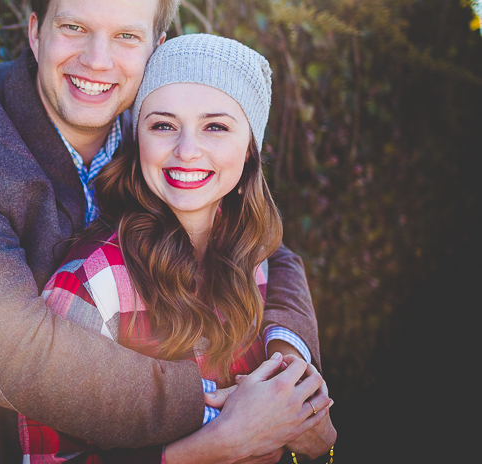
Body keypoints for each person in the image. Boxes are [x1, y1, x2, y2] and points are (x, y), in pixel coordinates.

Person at [0, 0, 322, 464]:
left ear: (156, 50)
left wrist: (289, 372)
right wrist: (216, 413)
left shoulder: (153, 129)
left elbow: (264, 248)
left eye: (126, 36)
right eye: (74, 27)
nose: (98, 61)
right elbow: (14, 355)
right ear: (35, 30)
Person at [18, 34, 337, 463]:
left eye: (216, 127)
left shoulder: (257, 259)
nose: (187, 151)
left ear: (248, 152)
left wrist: (305, 417)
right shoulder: (95, 283)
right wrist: (210, 449)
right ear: (139, 141)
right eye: (163, 125)